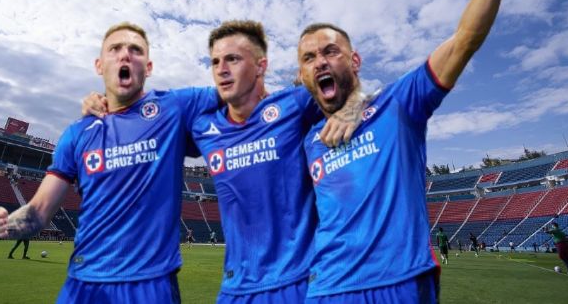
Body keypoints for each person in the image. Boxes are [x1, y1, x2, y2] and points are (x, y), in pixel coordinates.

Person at [297, 0, 521, 302]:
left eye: (330, 51)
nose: (319, 61)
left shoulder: (399, 104)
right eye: (308, 57)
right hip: (325, 291)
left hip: (397, 285)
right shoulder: (307, 142)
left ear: (355, 61)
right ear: (301, 75)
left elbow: (465, 40)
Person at [83, 20, 363, 304]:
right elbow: (145, 128)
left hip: (301, 280)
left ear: (261, 67)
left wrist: (351, 107)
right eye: (215, 61)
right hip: (236, 290)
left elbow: (344, 84)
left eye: (233, 59)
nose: (221, 68)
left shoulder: (293, 105)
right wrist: (106, 103)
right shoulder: (204, 127)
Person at [0, 23, 219, 303]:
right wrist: (8, 225)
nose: (125, 55)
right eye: (115, 49)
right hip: (83, 285)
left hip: (149, 287)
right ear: (99, 65)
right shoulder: (77, 134)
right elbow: (39, 212)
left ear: (149, 66)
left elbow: (241, 91)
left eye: (136, 50)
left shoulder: (174, 108)